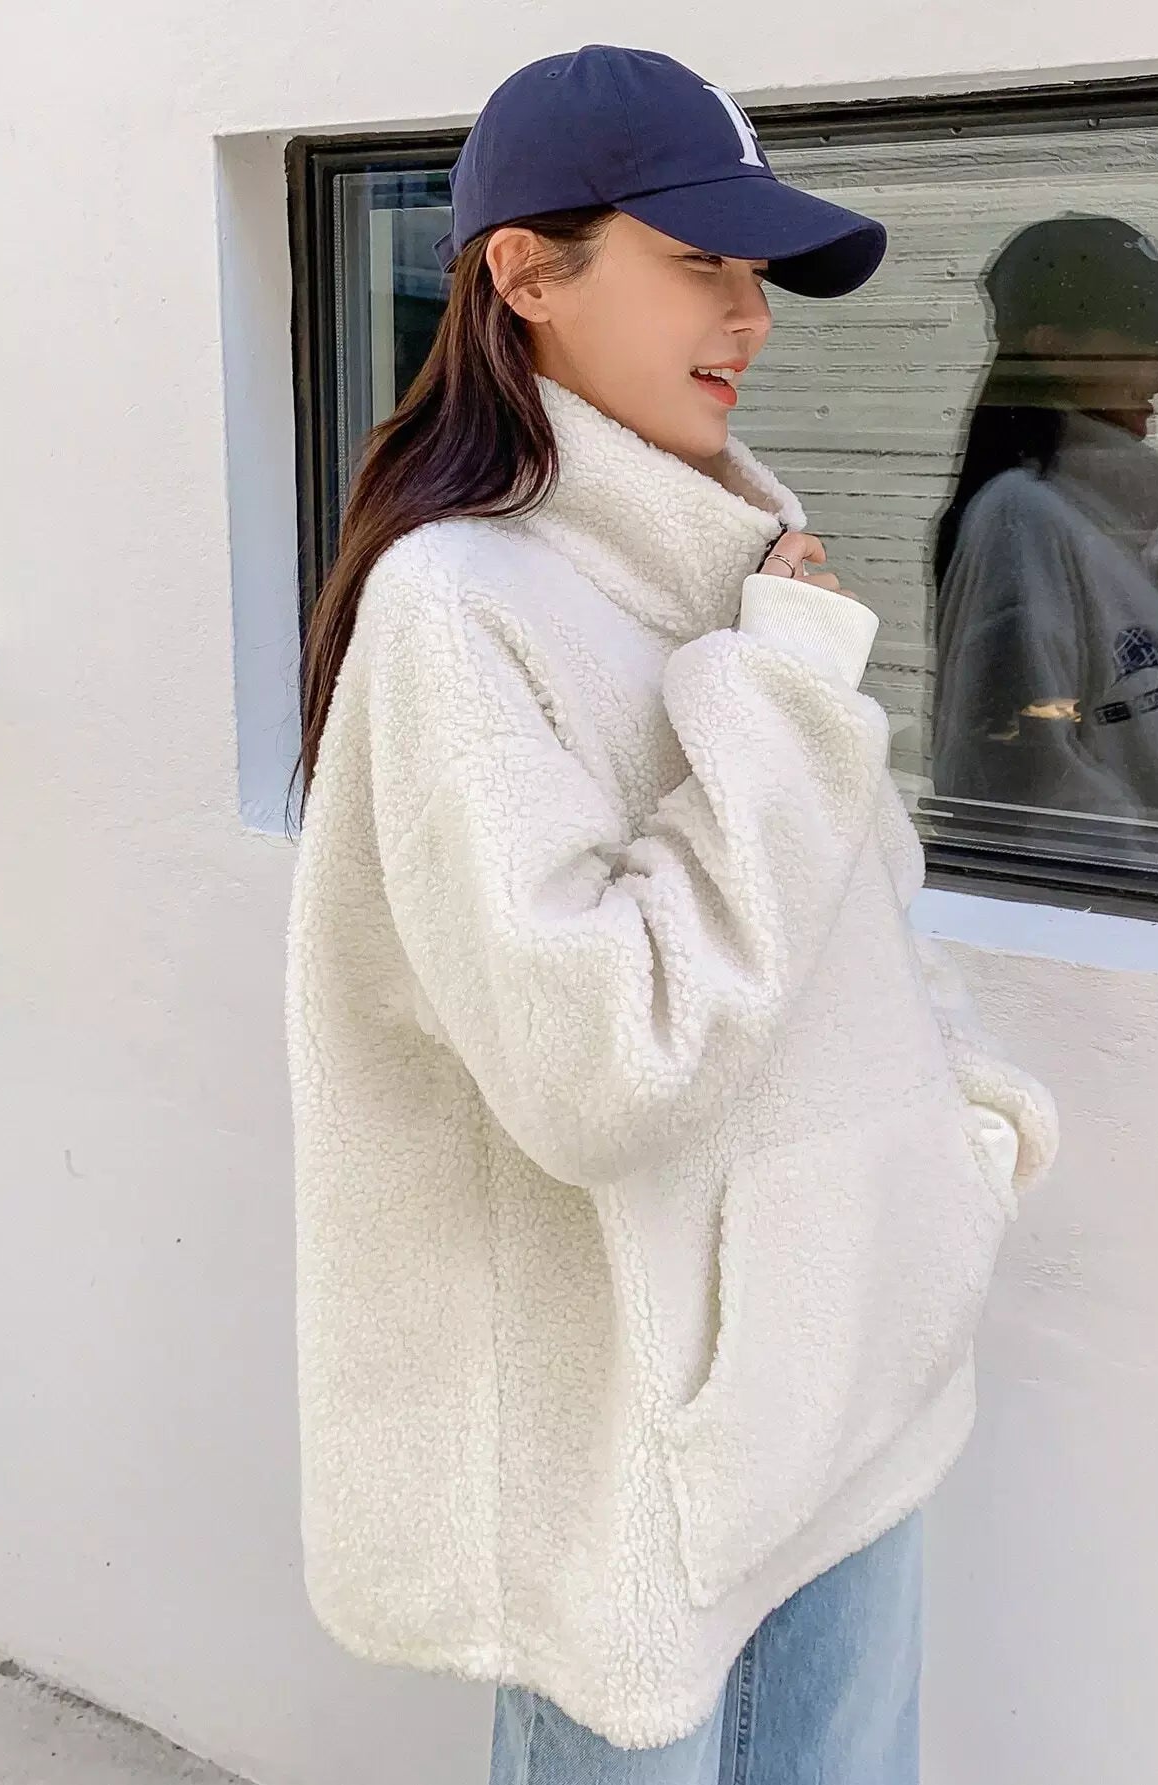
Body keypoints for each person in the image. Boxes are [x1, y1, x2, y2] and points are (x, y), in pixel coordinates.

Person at [286, 45, 1056, 1784]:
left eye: (758, 269)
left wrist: (955, 1144)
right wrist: (777, 698)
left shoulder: (728, 561)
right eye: (698, 259)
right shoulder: (460, 607)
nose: (751, 315)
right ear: (524, 272)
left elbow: (861, 917)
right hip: (649, 1455)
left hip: (846, 1375)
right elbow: (598, 1066)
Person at [930, 214, 1158, 881]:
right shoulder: (1023, 520)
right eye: (1145, 338)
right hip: (1123, 928)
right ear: (1052, 348)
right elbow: (1017, 781)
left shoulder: (1099, 525)